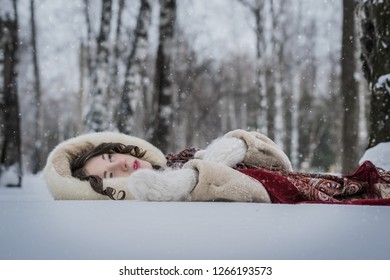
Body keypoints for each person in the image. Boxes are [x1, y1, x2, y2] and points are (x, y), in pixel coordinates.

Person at [43, 129, 390, 205]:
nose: (118, 164)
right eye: (107, 175)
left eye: (109, 157)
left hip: (322, 184)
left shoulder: (180, 157)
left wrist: (236, 145)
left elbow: (278, 161)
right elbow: (255, 193)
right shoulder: (153, 196)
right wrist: (190, 183)